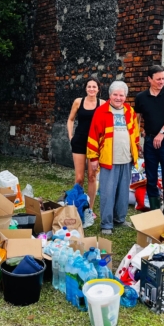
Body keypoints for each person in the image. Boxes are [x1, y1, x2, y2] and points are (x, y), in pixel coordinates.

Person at [87, 81, 140, 235]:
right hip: (108, 159)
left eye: (121, 95)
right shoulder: (101, 111)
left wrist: (135, 151)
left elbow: (134, 132)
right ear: (110, 95)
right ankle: (106, 224)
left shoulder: (129, 111)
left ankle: (120, 219)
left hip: (126, 158)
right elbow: (93, 134)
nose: (118, 98)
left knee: (123, 192)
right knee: (108, 193)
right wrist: (93, 158)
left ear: (125, 96)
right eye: (115, 95)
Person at [135, 65, 164, 221]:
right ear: (149, 79)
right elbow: (137, 119)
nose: (162, 81)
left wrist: (162, 133)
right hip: (149, 142)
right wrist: (137, 140)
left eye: (163, 78)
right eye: (158, 79)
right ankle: (155, 215)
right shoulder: (141, 97)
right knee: (151, 178)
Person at [67, 77, 106, 225]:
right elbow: (70, 119)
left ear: (98, 89)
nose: (91, 89)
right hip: (79, 142)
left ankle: (89, 209)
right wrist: (71, 136)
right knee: (79, 178)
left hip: (94, 144)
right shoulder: (78, 102)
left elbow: (105, 123)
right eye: (89, 86)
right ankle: (77, 204)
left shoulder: (102, 104)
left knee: (92, 176)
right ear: (86, 88)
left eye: (94, 87)